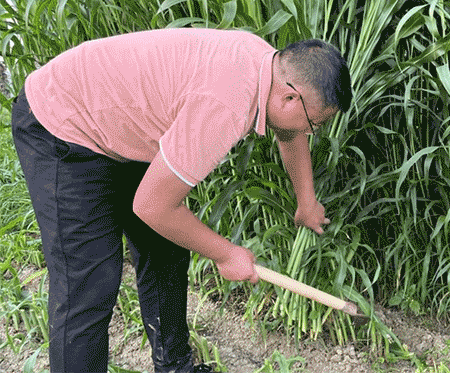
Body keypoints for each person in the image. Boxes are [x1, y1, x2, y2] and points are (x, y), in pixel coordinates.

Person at [10, 28, 352, 373]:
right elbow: (152, 206)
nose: (311, 132)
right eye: (314, 124)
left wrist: (306, 201)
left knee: (165, 250)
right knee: (90, 280)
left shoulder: (269, 66)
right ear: (291, 98)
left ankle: (174, 367)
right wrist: (225, 253)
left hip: (120, 122)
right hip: (62, 122)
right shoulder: (226, 103)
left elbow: (289, 131)